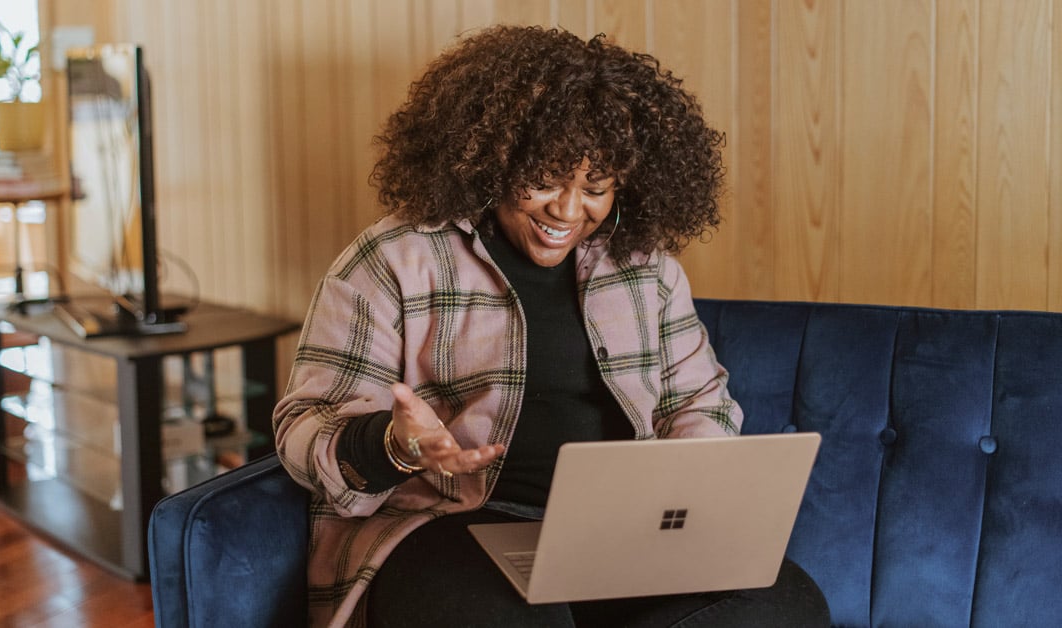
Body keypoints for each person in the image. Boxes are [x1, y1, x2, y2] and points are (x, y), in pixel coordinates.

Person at [273, 25, 829, 628]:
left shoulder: (649, 270)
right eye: (543, 180)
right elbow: (304, 428)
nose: (567, 211)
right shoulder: (394, 259)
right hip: (449, 527)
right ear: (492, 160)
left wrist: (684, 496)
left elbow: (698, 403)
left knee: (786, 604)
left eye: (595, 188)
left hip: (618, 534)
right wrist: (392, 443)